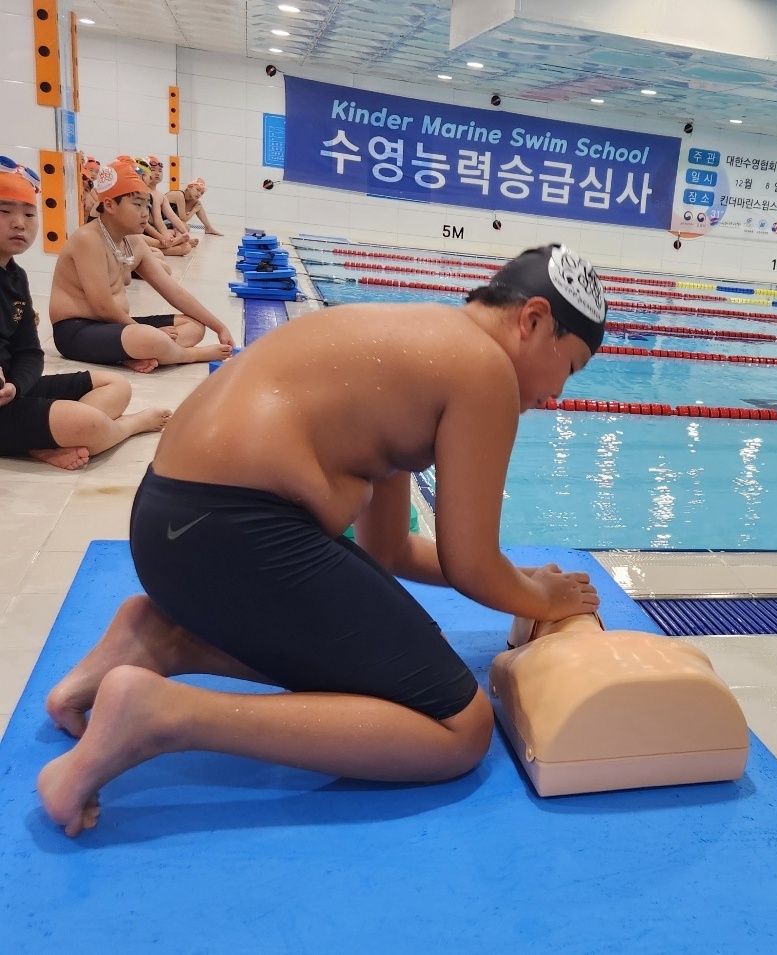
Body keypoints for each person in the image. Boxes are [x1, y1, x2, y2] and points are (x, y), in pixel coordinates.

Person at [39, 243, 608, 836]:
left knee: (403, 663)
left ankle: (161, 639)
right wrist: (544, 599)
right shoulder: (485, 371)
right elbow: (470, 565)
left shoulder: (421, 343)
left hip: (172, 528)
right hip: (233, 534)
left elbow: (389, 549)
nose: (557, 394)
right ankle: (159, 715)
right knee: (459, 728)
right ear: (533, 320)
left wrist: (519, 581)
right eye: (569, 368)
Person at [0, 164, 171, 470]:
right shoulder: (88, 239)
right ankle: (128, 426)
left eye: (29, 214)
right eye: (4, 212)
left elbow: (29, 352)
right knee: (87, 422)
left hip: (11, 391)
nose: (19, 224)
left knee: (116, 385)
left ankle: (42, 440)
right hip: (71, 337)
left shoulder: (15, 277)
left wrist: (17, 386)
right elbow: (103, 307)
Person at [49, 160, 234, 374]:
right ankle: (188, 355)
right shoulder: (88, 239)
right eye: (137, 205)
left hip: (115, 327)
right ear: (109, 205)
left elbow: (174, 291)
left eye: (147, 205)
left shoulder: (134, 242)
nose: (145, 213)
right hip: (77, 331)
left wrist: (219, 326)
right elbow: (102, 307)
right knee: (150, 338)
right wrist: (142, 330)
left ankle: (134, 354)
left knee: (194, 326)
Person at [146, 155, 198, 250]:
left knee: (183, 228)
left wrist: (185, 233)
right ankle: (173, 242)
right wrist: (165, 234)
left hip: (157, 227)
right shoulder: (145, 193)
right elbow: (158, 221)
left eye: (160, 171)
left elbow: (173, 216)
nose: (157, 173)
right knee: (184, 248)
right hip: (147, 230)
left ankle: (176, 240)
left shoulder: (161, 196)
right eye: (153, 170)